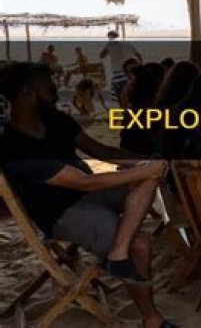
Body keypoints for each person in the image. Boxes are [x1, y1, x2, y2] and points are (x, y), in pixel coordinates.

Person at [0, 63, 175, 328]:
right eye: (49, 88)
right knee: (139, 245)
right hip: (62, 212)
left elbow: (104, 152)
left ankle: (117, 252)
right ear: (27, 93)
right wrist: (145, 169)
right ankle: (152, 320)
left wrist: (152, 161)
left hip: (92, 193)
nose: (56, 91)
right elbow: (83, 182)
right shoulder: (15, 147)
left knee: (149, 176)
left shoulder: (57, 120)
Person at [100, 31, 142, 104]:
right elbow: (138, 55)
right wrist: (140, 65)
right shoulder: (128, 44)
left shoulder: (110, 44)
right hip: (131, 71)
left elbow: (101, 55)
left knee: (116, 93)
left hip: (118, 71)